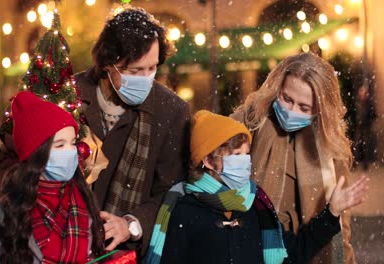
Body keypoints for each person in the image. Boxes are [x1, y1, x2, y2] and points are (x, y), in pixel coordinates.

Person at [145, 110, 368, 264]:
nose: (244, 162)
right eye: (235, 155)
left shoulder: (257, 205)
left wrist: (332, 213)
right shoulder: (184, 210)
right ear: (208, 161)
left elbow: (293, 252)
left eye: (246, 154)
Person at [74, 6, 191, 255]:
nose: (146, 78)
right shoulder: (69, 95)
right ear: (108, 64)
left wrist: (131, 224)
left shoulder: (170, 110)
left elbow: (171, 190)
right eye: (135, 71)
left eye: (152, 68)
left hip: (125, 253)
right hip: (65, 242)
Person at [231, 52, 359, 263]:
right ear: (277, 88)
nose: (291, 111)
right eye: (287, 99)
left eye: (304, 107)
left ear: (320, 109)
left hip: (306, 250)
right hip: (254, 245)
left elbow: (341, 225)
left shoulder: (330, 145)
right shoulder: (252, 118)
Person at [0, 91, 105, 263]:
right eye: (60, 145)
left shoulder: (84, 202)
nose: (70, 151)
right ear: (36, 153)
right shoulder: (2, 214)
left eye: (73, 143)